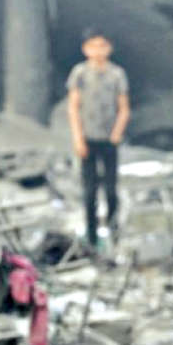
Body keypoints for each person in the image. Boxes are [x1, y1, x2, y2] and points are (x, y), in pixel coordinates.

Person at [66, 28, 130, 247]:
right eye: (93, 46)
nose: (98, 50)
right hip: (88, 139)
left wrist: (117, 134)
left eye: (102, 45)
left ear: (109, 48)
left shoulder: (117, 74)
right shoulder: (80, 73)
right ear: (85, 49)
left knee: (111, 190)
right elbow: (73, 107)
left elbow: (123, 107)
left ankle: (114, 233)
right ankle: (92, 238)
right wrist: (78, 138)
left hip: (109, 140)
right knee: (90, 192)